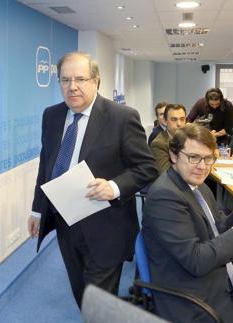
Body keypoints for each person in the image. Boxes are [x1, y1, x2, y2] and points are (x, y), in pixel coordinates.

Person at [28, 52, 158, 307]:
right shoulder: (51, 116)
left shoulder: (122, 117)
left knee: (98, 303)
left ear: (96, 81)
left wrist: (114, 187)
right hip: (67, 225)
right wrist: (37, 209)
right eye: (65, 80)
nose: (72, 86)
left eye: (80, 79)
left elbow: (147, 167)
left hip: (107, 227)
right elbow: (46, 165)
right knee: (81, 295)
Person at [142, 123, 233, 323]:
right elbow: (196, 260)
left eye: (208, 158)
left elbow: (215, 231)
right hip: (195, 297)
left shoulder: (198, 185)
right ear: (174, 156)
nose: (202, 166)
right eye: (193, 157)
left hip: (222, 278)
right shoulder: (165, 196)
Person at [151, 104, 187, 173]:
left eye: (182, 119)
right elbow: (166, 173)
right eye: (174, 119)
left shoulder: (188, 137)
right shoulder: (159, 144)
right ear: (165, 121)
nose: (179, 124)